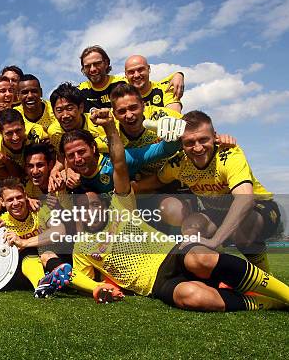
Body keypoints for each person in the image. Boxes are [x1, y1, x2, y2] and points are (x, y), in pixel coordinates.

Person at [63, 109, 289, 312]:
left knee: (199, 257)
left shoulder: (120, 208)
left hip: (174, 254)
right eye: (82, 208)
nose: (89, 211)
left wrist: (110, 127)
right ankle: (263, 301)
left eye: (93, 205)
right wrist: (96, 287)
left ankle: (283, 293)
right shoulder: (82, 246)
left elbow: (119, 163)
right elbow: (81, 278)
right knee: (192, 297)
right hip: (156, 283)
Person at [136, 111, 281, 272]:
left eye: (203, 140)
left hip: (260, 208)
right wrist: (123, 189)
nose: (198, 148)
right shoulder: (178, 163)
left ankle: (265, 277)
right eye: (190, 142)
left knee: (243, 228)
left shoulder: (230, 153)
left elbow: (245, 199)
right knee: (191, 228)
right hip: (217, 213)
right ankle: (219, 274)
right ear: (181, 143)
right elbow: (155, 181)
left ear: (215, 136)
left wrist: (215, 240)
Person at [0, 178, 72, 297]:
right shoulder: (2, 224)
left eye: (19, 197)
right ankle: (41, 283)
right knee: (28, 252)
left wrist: (24, 242)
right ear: (2, 202)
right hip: (24, 273)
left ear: (26, 196)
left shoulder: (40, 209)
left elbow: (60, 230)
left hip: (52, 261)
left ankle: (95, 288)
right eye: (10, 199)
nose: (16, 203)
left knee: (45, 252)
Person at [78, 45, 184, 111]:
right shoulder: (79, 91)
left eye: (97, 63)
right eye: (87, 66)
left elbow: (153, 85)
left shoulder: (122, 83)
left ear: (106, 63)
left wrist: (178, 75)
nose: (92, 69)